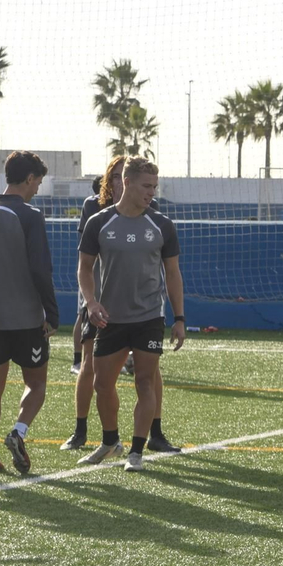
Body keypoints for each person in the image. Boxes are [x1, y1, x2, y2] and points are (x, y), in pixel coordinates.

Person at [78, 157, 188, 472]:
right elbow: (84, 268)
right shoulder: (98, 222)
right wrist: (91, 302)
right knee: (102, 384)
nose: (152, 192)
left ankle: (137, 452)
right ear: (126, 182)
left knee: (145, 382)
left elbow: (173, 273)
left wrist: (179, 318)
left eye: (155, 186)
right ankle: (110, 441)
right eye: (146, 185)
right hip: (108, 317)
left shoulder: (162, 225)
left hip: (149, 317)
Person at [0, 151, 59, 475]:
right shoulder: (30, 215)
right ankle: (18, 432)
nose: (37, 188)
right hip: (26, 317)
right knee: (36, 384)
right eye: (38, 181)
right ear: (29, 179)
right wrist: (51, 311)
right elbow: (40, 268)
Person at [70, 174, 104, 376]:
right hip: (92, 270)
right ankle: (77, 360)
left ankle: (129, 358)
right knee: (84, 313)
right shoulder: (92, 205)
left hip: (115, 271)